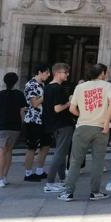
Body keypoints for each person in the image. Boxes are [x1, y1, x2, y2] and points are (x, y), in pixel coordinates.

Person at [57, 63, 111, 202]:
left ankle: (68, 192)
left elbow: (72, 109)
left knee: (76, 160)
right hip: (101, 127)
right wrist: (106, 122)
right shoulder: (108, 86)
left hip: (82, 126)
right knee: (98, 161)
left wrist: (82, 115)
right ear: (102, 73)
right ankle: (95, 192)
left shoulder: (80, 87)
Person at [0, 72, 27, 188]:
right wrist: (21, 124)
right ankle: (4, 177)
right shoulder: (19, 94)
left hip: (1, 127)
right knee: (9, 152)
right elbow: (22, 111)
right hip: (14, 127)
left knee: (0, 153)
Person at [42, 63, 75, 193]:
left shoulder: (48, 87)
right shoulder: (57, 88)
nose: (67, 75)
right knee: (60, 153)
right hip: (62, 123)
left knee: (61, 152)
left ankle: (61, 179)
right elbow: (57, 108)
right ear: (56, 73)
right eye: (65, 72)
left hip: (54, 124)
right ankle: (50, 183)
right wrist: (70, 102)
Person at [23, 63, 52, 182]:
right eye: (47, 72)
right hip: (33, 120)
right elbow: (34, 103)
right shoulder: (31, 85)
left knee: (46, 145)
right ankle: (28, 173)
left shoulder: (42, 84)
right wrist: (46, 95)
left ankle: (39, 170)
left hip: (43, 119)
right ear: (40, 72)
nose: (49, 75)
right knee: (32, 147)